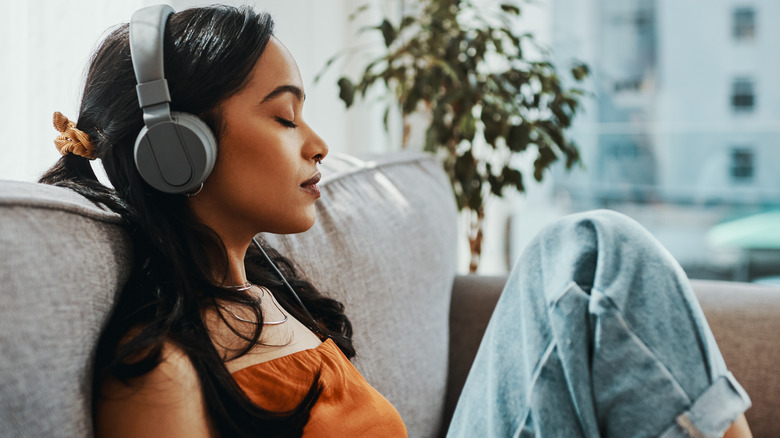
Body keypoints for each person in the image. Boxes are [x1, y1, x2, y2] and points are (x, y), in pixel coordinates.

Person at [40, 4, 752, 438]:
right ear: (176, 151)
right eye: (285, 117)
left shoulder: (268, 289)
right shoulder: (160, 373)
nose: (318, 143)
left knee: (587, 251)